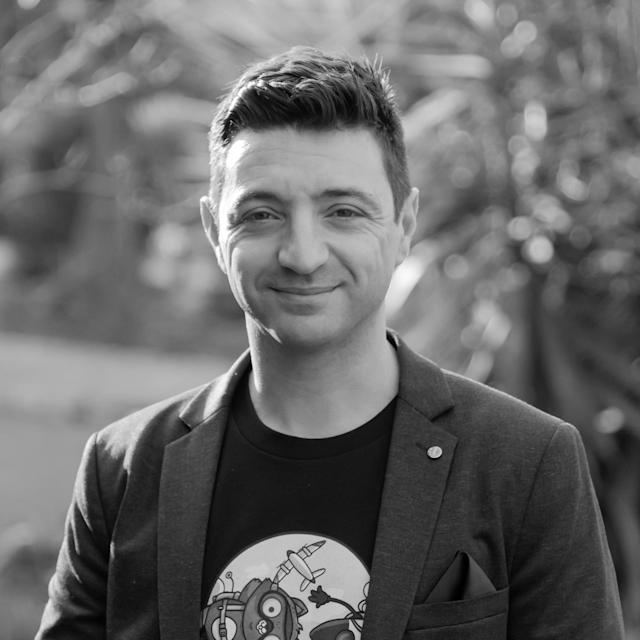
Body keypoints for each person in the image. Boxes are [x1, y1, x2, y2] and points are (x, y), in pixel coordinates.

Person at [36, 46, 624, 640]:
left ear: (404, 225)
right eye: (262, 214)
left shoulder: (527, 463)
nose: (303, 255)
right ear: (215, 230)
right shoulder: (123, 468)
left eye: (342, 211)